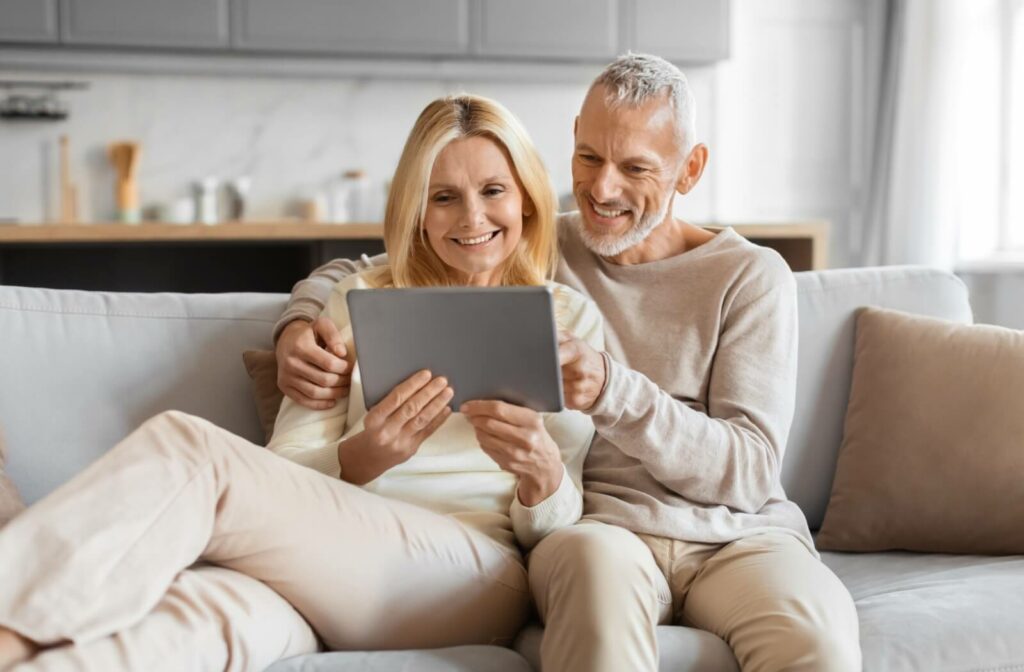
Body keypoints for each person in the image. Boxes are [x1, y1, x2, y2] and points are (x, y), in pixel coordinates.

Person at [274, 53, 862, 672]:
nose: (603, 190)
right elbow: (384, 262)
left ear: (689, 170)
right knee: (594, 600)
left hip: (743, 538)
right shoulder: (540, 239)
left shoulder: (749, 275)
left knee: (814, 647)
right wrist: (297, 323)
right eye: (589, 158)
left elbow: (749, 472)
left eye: (635, 167)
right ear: (573, 139)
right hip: (604, 534)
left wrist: (614, 390)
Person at [0, 93, 602, 672]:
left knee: (190, 448)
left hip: (471, 576)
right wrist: (363, 457)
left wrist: (541, 475)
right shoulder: (359, 299)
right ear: (416, 209)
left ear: (525, 197)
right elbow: (284, 464)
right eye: (443, 197)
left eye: (493, 190)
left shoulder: (567, 320)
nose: (471, 217)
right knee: (194, 621)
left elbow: (558, 526)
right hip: (319, 570)